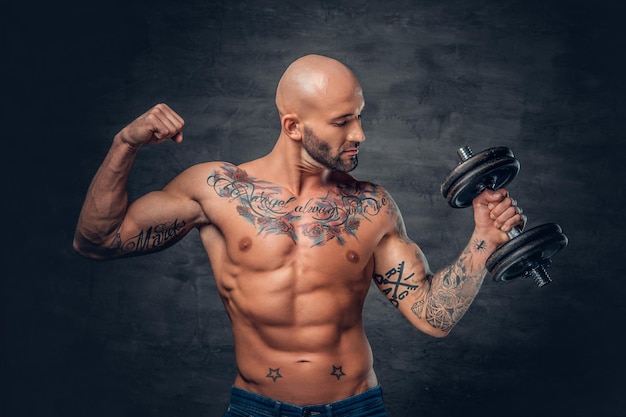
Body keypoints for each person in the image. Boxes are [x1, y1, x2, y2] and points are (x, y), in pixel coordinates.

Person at [74, 54, 525, 416]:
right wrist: (125, 144)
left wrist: (483, 239)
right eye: (342, 121)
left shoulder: (372, 206)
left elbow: (432, 316)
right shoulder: (217, 191)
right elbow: (97, 241)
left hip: (357, 406)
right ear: (293, 126)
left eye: (360, 117)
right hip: (257, 408)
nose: (360, 134)